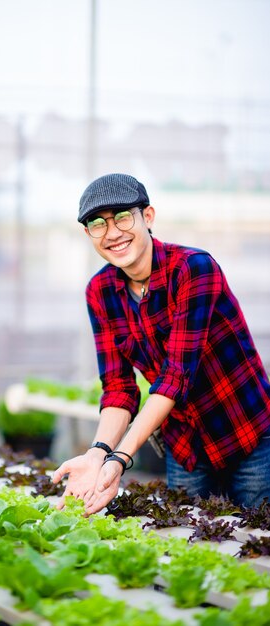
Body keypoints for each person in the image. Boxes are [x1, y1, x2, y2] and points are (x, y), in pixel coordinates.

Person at [52, 173, 270, 515]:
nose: (112, 233)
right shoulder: (100, 292)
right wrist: (97, 455)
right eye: (97, 224)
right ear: (88, 234)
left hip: (246, 435)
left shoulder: (193, 269)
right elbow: (119, 389)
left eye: (123, 217)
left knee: (257, 542)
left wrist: (120, 458)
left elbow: (175, 377)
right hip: (185, 446)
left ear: (148, 217)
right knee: (189, 540)